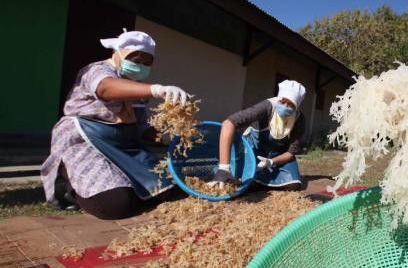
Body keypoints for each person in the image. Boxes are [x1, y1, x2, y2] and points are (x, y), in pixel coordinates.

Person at [41, 31, 191, 219]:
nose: (140, 66)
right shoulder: (97, 70)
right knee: (115, 204)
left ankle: (128, 186)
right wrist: (156, 89)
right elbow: (105, 88)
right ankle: (69, 184)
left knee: (168, 190)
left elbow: (141, 127)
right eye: (135, 59)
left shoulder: (137, 86)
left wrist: (168, 135)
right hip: (85, 141)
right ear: (118, 53)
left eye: (147, 63)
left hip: (122, 145)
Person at [210, 80, 306, 191]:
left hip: (278, 155)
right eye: (283, 102)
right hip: (253, 151)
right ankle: (246, 177)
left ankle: (260, 180)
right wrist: (224, 168)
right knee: (243, 183)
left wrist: (271, 162)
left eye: (291, 105)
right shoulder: (266, 107)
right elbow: (228, 123)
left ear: (297, 106)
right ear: (278, 98)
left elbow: (290, 153)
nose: (285, 106)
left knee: (293, 186)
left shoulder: (299, 119)